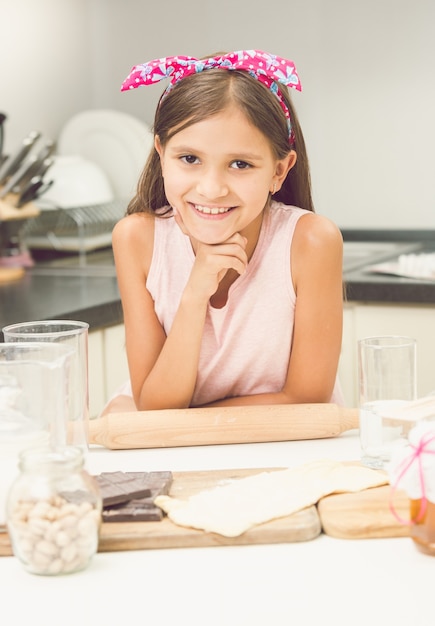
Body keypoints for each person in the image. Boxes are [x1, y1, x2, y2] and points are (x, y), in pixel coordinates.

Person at [104, 49, 344, 415]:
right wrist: (195, 292)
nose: (212, 188)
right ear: (161, 153)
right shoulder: (136, 239)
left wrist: (190, 423)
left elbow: (306, 399)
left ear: (279, 171)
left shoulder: (311, 242)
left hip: (284, 444)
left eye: (240, 164)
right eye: (189, 159)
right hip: (174, 446)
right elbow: (155, 404)